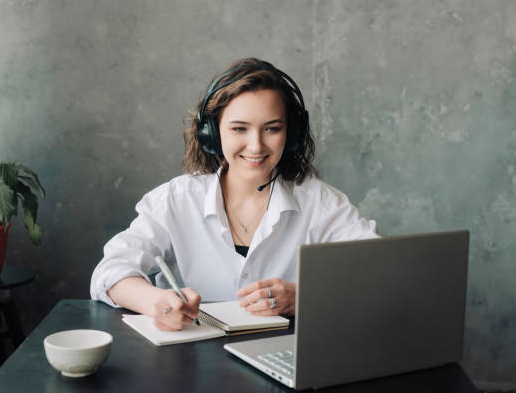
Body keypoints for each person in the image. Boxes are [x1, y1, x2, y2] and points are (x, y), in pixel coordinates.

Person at [90, 58, 378, 331]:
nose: (256, 146)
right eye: (239, 128)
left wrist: (307, 296)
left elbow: (383, 276)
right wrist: (156, 302)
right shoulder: (175, 200)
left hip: (284, 362)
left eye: (272, 129)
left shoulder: (321, 204)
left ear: (291, 135)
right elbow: (110, 271)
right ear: (212, 134)